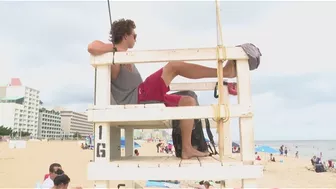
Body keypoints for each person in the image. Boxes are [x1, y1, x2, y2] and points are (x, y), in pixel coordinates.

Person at [87, 18, 236, 159]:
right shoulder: (114, 56)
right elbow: (91, 47)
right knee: (173, 66)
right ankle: (223, 72)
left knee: (188, 102)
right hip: (138, 97)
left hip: (144, 96)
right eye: (134, 35)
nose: (136, 38)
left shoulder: (123, 56)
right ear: (126, 36)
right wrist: (115, 48)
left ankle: (187, 149)